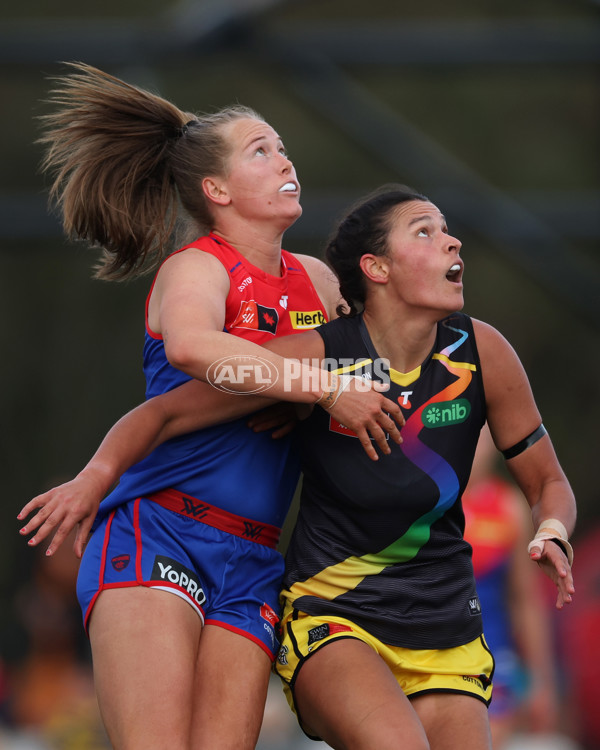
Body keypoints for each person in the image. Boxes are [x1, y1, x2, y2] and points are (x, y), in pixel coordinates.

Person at [20, 184, 576, 749]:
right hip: (334, 615)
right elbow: (164, 414)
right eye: (426, 232)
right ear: (376, 268)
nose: (453, 241)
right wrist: (93, 478)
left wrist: (553, 528)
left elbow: (550, 483)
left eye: (446, 229)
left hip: (445, 623)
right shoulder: (314, 355)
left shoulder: (484, 352)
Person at [20, 63, 404, 750]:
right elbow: (198, 349)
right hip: (159, 531)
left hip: (253, 558)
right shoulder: (196, 268)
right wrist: (316, 389)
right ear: (216, 189)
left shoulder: (316, 280)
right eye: (261, 150)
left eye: (284, 147)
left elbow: (377, 365)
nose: (285, 158)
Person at [462, 424, 560, 749]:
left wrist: (541, 682)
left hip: (492, 659)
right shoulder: (413, 502)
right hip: (420, 651)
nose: (471, 446)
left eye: (480, 435)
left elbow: (526, 600)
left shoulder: (508, 508)